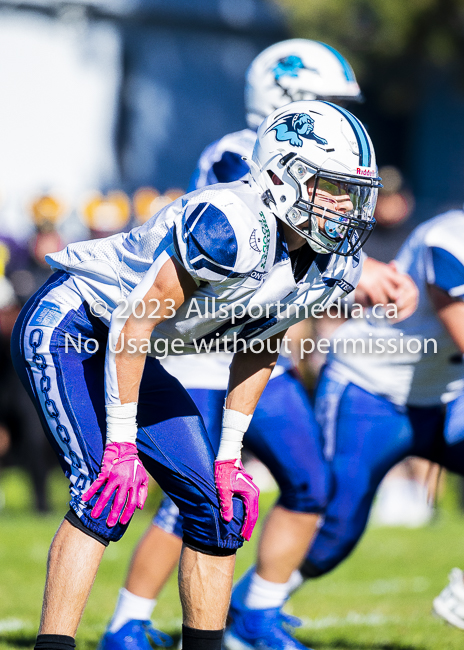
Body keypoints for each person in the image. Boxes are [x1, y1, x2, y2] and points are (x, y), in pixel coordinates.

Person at [11, 99, 380, 650]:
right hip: (75, 328)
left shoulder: (330, 262)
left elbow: (260, 347)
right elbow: (133, 325)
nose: (344, 206)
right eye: (329, 188)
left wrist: (229, 456)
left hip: (131, 347)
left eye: (350, 192)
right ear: (282, 176)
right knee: (103, 492)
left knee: (217, 509)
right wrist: (120, 446)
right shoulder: (232, 224)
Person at [98, 40, 416, 650]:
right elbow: (284, 235)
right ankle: (128, 621)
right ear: (289, 102)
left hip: (256, 351)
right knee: (195, 493)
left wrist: (355, 274)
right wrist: (363, 270)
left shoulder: (322, 166)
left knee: (308, 481)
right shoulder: (240, 158)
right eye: (327, 103)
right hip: (199, 350)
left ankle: (255, 614)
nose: (341, 123)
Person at [261, 209, 464, 627]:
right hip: (371, 391)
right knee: (331, 533)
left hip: (443, 397)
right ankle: (248, 613)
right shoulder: (447, 239)